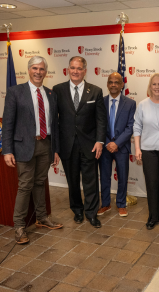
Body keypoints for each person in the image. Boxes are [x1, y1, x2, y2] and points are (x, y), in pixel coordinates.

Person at [2, 56, 62, 244]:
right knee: (25, 185)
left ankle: (42, 218)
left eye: (42, 69)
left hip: (45, 144)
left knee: (40, 182)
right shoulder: (15, 92)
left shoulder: (51, 94)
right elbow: (8, 123)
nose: (38, 72)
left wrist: (55, 149)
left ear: (46, 72)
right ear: (29, 70)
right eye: (35, 68)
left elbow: (55, 124)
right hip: (23, 147)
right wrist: (7, 150)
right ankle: (19, 226)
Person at [53, 56, 107, 228]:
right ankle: (77, 210)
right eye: (72, 68)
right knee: (73, 181)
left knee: (91, 181)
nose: (75, 71)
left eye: (79, 68)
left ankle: (91, 213)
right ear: (68, 69)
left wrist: (100, 141)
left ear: (85, 70)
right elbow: (54, 121)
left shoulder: (96, 91)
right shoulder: (58, 90)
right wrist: (55, 147)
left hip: (90, 144)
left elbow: (101, 120)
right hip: (67, 145)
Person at [134, 73, 159, 230]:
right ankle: (153, 215)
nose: (157, 87)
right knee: (152, 182)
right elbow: (137, 127)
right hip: (148, 149)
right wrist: (137, 148)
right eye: (154, 84)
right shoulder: (142, 105)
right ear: (150, 87)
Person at [98, 73, 136, 218]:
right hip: (105, 146)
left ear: (122, 85)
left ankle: (121, 204)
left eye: (116, 82)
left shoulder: (130, 103)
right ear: (107, 84)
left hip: (122, 147)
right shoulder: (100, 102)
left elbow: (130, 126)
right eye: (110, 82)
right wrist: (108, 143)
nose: (113, 85)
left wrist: (117, 143)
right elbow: (98, 125)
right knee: (105, 176)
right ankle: (106, 204)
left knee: (122, 176)